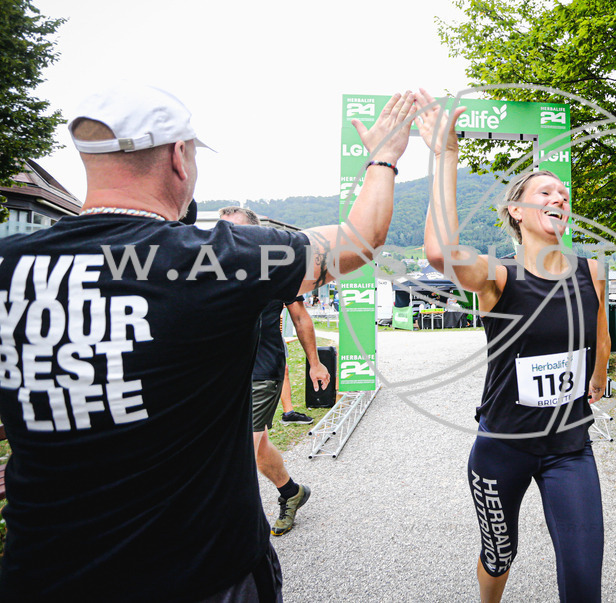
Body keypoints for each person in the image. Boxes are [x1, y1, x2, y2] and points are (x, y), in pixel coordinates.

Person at [0, 84, 416, 601]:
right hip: (204, 572)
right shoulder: (219, 258)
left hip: (43, 575)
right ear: (179, 157)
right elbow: (360, 240)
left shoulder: (9, 264)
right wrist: (383, 157)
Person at [418, 89, 610, 603]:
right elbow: (440, 251)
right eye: (545, 193)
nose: (559, 199)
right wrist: (446, 155)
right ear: (516, 211)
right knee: (500, 556)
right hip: (502, 447)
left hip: (569, 447)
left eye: (563, 195)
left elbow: (600, 335)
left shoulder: (592, 272)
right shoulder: (498, 278)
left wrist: (597, 378)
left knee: (583, 570)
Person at [219, 206, 322, 536]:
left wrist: (315, 363)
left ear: (253, 236)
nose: (225, 239)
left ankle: (232, 533)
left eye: (233, 231)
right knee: (260, 450)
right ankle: (292, 493)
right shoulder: (215, 270)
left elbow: (301, 318)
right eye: (221, 231)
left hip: (263, 368)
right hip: (226, 372)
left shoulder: (275, 268)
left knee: (243, 449)